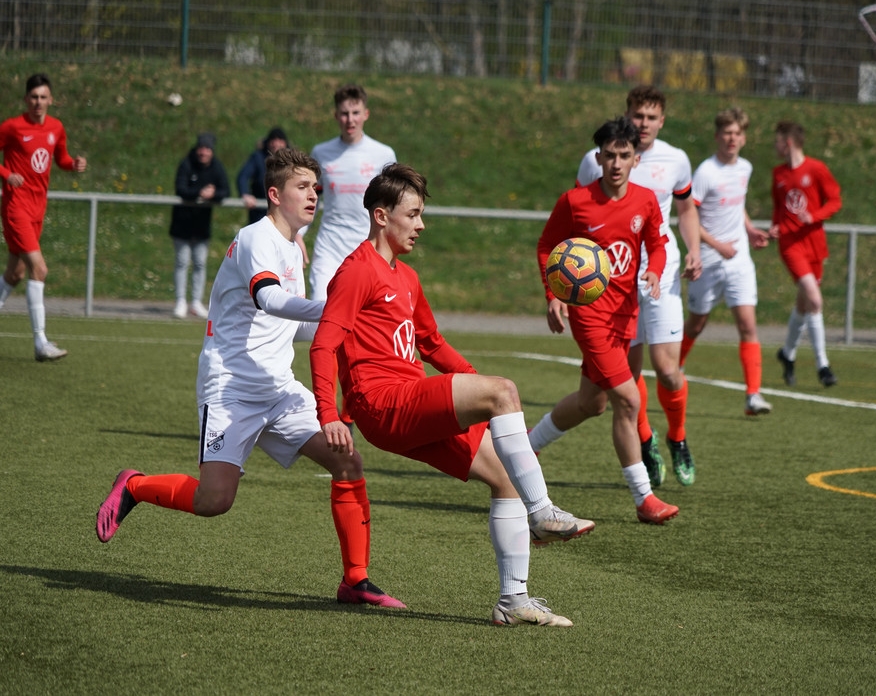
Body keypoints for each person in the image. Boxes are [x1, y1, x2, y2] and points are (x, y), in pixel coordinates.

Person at [96, 148, 405, 610]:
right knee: (213, 500)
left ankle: (355, 580)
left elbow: (294, 326)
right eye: (303, 187)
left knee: (348, 462)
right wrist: (336, 308)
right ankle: (135, 485)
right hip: (232, 388)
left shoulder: (294, 247)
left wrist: (343, 328)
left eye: (317, 187)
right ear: (275, 194)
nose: (314, 195)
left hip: (279, 389)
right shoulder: (255, 238)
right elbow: (269, 301)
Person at [309, 163, 594, 627]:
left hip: (409, 404)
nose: (421, 225)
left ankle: (513, 601)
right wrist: (329, 415)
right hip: (384, 405)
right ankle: (542, 513)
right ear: (381, 216)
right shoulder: (356, 271)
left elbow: (433, 345)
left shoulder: (407, 278)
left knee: (505, 477)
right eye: (413, 214)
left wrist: (483, 395)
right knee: (504, 392)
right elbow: (323, 344)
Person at [530, 117, 680, 526]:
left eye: (624, 155)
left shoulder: (646, 201)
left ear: (636, 159)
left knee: (591, 403)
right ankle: (645, 499)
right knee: (629, 401)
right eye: (609, 155)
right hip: (590, 316)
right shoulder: (576, 202)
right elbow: (547, 246)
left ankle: (525, 450)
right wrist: (553, 295)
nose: (616, 163)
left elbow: (657, 244)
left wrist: (654, 270)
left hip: (626, 315)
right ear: (598, 158)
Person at [574, 85, 702, 488]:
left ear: (662, 121)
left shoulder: (677, 160)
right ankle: (645, 442)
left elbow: (685, 211)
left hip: (659, 275)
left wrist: (695, 249)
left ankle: (677, 437)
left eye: (651, 117)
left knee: (667, 370)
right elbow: (581, 215)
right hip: (613, 281)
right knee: (627, 375)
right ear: (627, 114)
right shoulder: (596, 161)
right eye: (637, 115)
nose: (643, 123)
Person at [680, 108, 773, 416]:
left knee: (748, 324)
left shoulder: (744, 168)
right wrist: (717, 245)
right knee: (697, 323)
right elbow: (689, 215)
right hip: (708, 259)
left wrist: (749, 229)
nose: (732, 139)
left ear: (744, 138)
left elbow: (738, 205)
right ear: (718, 136)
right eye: (727, 133)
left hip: (739, 261)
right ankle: (672, 369)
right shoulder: (706, 172)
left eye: (737, 133)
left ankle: (753, 395)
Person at [0, 73, 87, 361]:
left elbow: (60, 158)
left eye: (43, 97)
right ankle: (41, 343)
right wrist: (5, 174)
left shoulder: (56, 128)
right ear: (26, 100)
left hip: (38, 209)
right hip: (16, 207)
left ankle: (41, 342)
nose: (38, 102)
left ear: (51, 99)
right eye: (33, 97)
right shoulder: (13, 127)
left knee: (15, 273)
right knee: (39, 269)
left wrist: (72, 164)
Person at [769, 120, 842, 388]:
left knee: (804, 304)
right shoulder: (778, 174)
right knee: (814, 298)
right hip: (790, 244)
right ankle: (823, 365)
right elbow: (778, 208)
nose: (775, 146)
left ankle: (787, 354)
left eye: (777, 141)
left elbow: (835, 200)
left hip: (814, 244)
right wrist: (776, 226)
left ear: (788, 142)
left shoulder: (817, 169)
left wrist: (815, 216)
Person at [306, 84, 396, 300]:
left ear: (366, 114)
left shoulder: (383, 154)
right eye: (345, 114)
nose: (350, 120)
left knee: (362, 319)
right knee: (320, 309)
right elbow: (311, 197)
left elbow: (393, 205)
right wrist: (298, 235)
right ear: (336, 115)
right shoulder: (321, 152)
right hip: (329, 246)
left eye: (355, 113)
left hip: (368, 248)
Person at [170, 131, 230, 319]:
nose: (203, 152)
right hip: (182, 224)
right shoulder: (186, 163)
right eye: (201, 148)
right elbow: (181, 189)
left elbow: (225, 190)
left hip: (202, 226)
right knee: (182, 262)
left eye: (207, 149)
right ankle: (180, 301)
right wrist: (199, 192)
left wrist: (213, 194)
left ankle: (196, 302)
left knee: (200, 263)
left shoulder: (216, 167)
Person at [236, 127, 289, 224]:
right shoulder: (258, 158)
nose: (276, 144)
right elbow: (243, 176)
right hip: (260, 212)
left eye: (280, 140)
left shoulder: (290, 160)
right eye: (273, 140)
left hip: (284, 212)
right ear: (268, 143)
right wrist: (245, 194)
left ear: (285, 143)